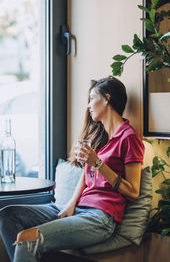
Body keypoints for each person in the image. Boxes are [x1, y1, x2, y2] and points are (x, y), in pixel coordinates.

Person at [0, 76, 145, 262]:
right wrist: (70, 204)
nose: (88, 105)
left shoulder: (129, 138)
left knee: (27, 238)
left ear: (107, 98)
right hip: (78, 209)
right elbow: (85, 177)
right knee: (7, 215)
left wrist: (98, 163)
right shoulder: (102, 138)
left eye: (92, 98)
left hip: (99, 218)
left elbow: (133, 192)